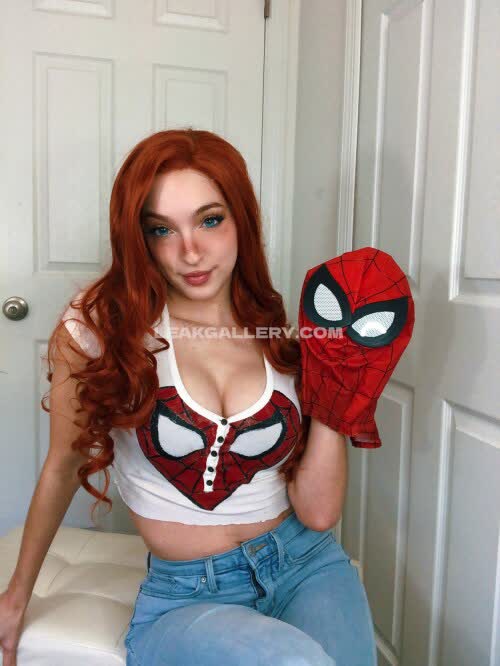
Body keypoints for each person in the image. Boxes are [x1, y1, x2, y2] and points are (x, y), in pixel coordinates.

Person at [0, 129, 377, 666]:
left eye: (210, 220)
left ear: (241, 220)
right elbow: (63, 464)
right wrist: (17, 595)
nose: (190, 251)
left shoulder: (278, 334)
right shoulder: (102, 329)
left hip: (306, 564)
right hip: (187, 596)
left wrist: (340, 387)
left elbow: (318, 513)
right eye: (162, 229)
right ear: (139, 238)